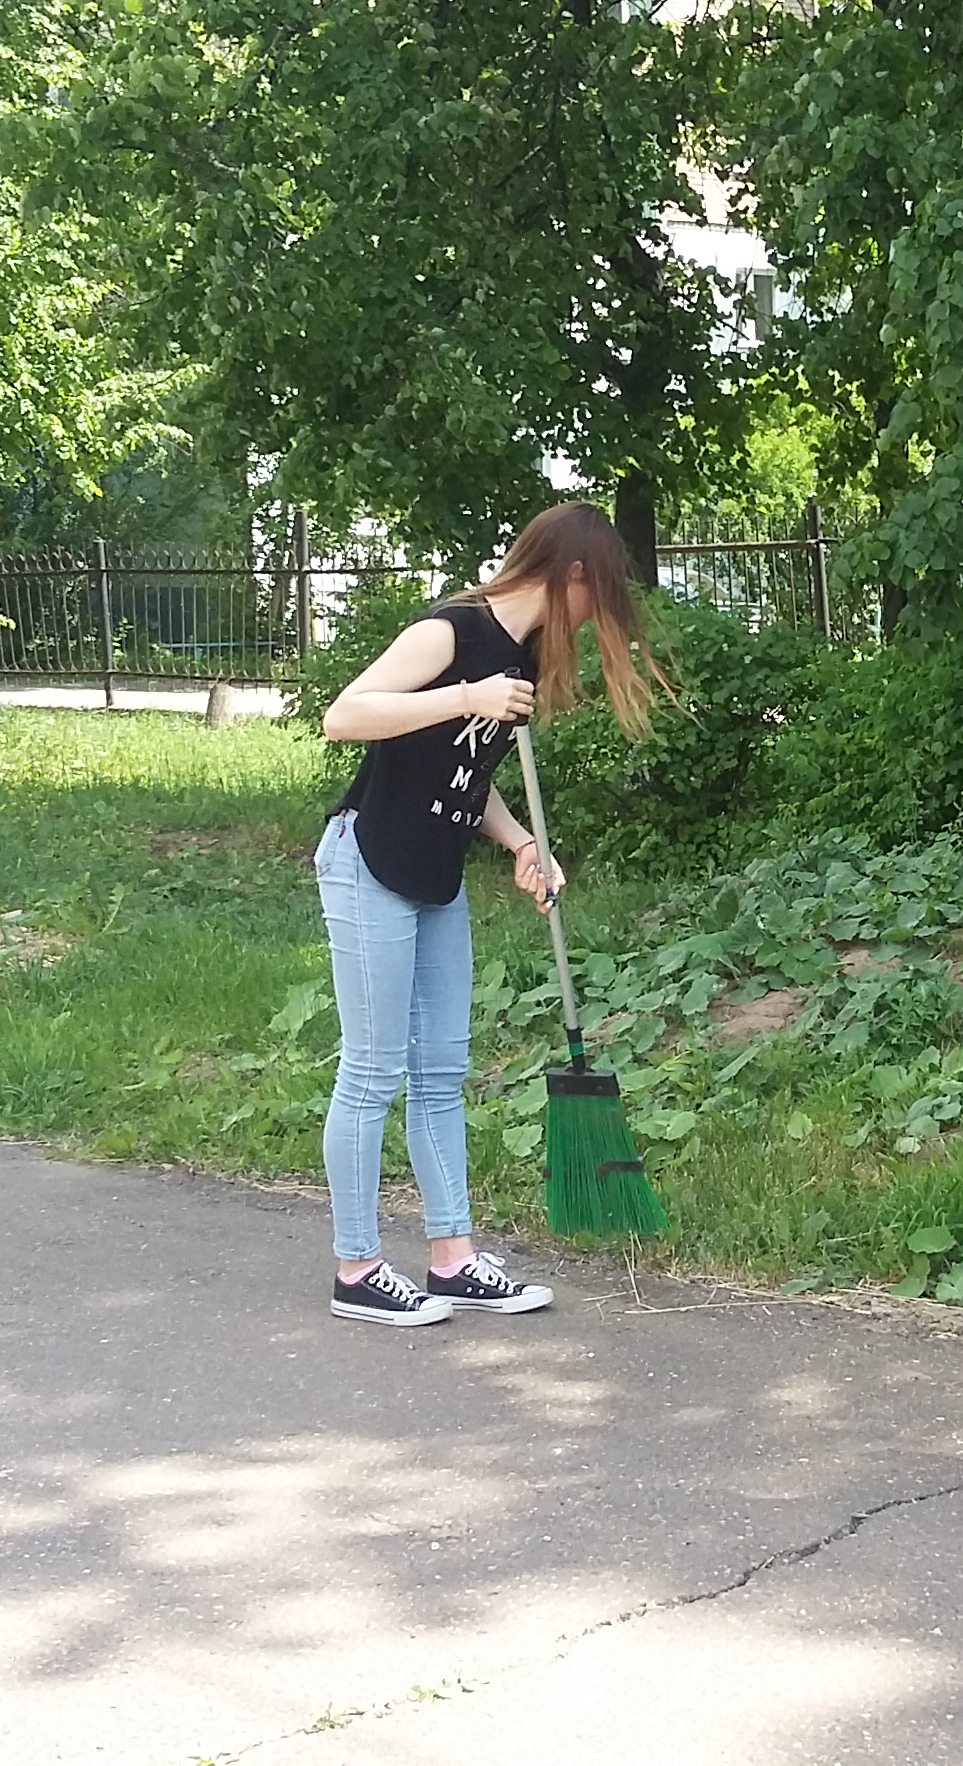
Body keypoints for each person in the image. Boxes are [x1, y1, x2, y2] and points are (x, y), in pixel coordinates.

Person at [311, 502, 671, 1327]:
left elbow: (467, 777)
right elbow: (346, 716)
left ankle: (453, 1258)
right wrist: (462, 693)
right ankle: (358, 1269)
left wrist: (516, 842)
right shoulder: (454, 633)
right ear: (572, 574)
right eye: (599, 594)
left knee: (441, 1070)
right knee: (372, 1073)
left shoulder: (520, 659)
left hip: (435, 874)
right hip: (367, 860)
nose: (596, 616)